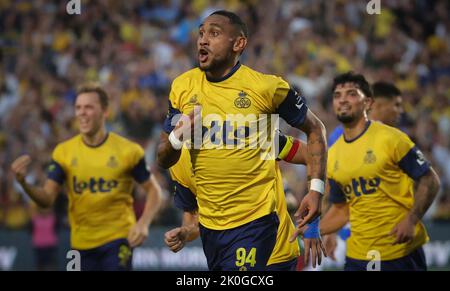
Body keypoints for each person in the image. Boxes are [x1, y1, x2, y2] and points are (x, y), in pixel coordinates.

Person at [157, 10, 327, 270]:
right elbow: (166, 162)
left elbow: (313, 137)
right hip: (215, 235)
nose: (203, 40)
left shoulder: (264, 94)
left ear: (238, 44)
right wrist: (178, 137)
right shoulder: (182, 88)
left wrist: (315, 195)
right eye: (201, 33)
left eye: (214, 34)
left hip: (261, 229)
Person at [11, 84, 162, 271]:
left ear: (105, 111)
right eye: (78, 107)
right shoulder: (63, 153)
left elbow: (154, 190)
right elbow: (47, 199)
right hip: (80, 245)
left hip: (117, 240)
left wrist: (143, 223)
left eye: (88, 107)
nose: (82, 113)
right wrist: (24, 183)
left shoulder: (128, 151)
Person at [317, 72, 440, 271]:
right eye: (337, 95)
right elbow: (341, 207)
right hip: (357, 256)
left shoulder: (392, 138)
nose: (343, 100)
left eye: (351, 94)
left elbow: (430, 180)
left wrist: (411, 220)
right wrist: (315, 231)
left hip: (399, 251)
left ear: (368, 103)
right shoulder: (333, 153)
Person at [164, 132, 326, 270]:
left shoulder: (250, 132)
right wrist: (186, 232)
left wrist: (313, 219)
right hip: (226, 256)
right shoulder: (178, 160)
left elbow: (310, 154)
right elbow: (193, 217)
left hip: (275, 255)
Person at [323, 81, 407, 259]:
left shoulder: (395, 138)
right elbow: (332, 185)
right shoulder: (341, 136)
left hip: (394, 227)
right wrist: (330, 231)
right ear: (377, 105)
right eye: (396, 105)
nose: (401, 111)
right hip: (359, 227)